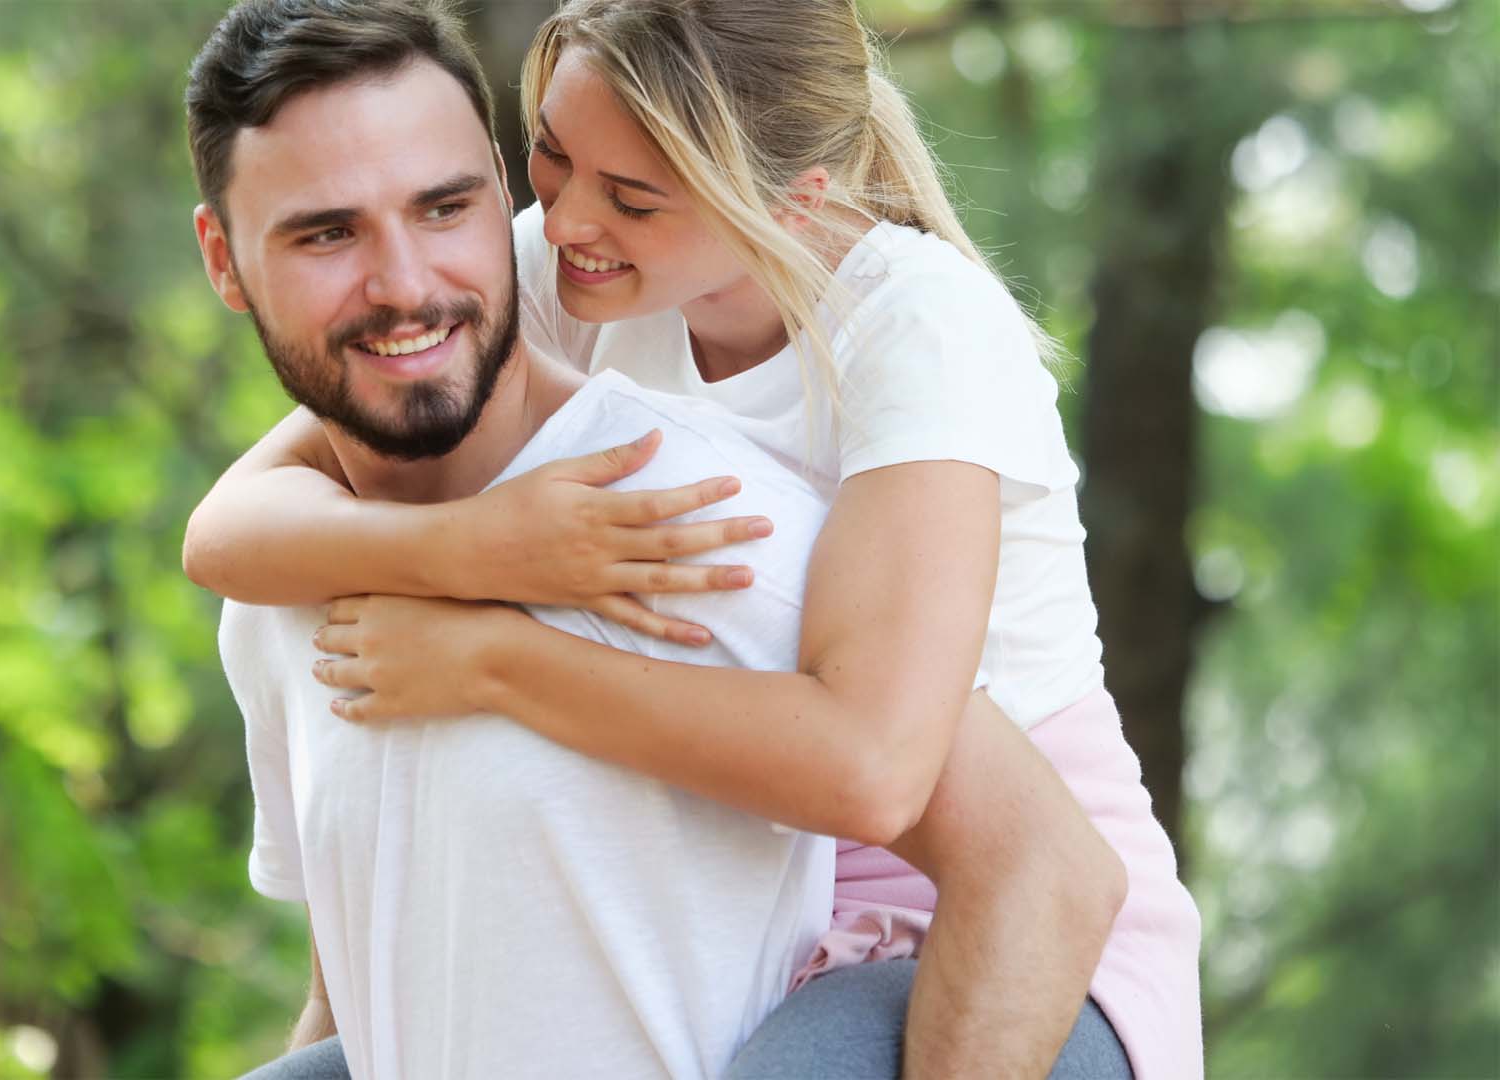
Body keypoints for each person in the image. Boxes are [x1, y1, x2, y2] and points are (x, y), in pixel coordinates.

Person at [188, 0, 1202, 1077]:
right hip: (770, 873)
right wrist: (482, 548)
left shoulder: (916, 331)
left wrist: (493, 658)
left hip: (988, 900)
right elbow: (229, 530)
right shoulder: (555, 264)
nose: (572, 217)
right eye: (553, 157)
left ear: (786, 199)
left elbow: (878, 772)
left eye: (631, 197)